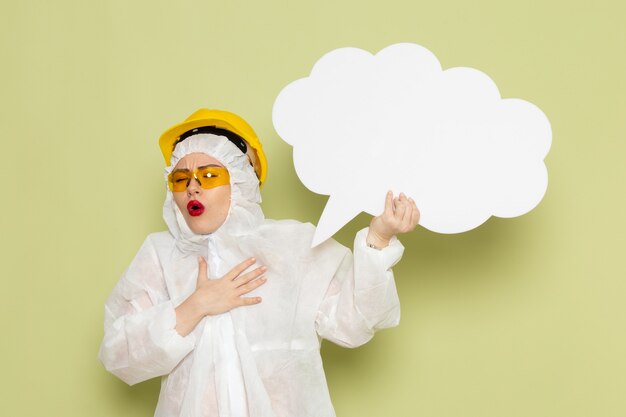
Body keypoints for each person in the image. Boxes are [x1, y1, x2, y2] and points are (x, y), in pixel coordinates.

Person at [98, 108, 420, 417]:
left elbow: (354, 323)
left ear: (240, 181)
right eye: (181, 179)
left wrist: (378, 239)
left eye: (208, 175)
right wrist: (196, 306)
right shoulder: (160, 254)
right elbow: (118, 353)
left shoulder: (293, 247)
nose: (192, 187)